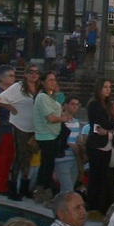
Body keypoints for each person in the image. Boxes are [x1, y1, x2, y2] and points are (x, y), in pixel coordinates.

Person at [0, 64, 42, 199]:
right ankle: (12, 188)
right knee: (19, 156)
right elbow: (0, 98)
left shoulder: (40, 88)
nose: (34, 74)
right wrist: (11, 108)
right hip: (20, 125)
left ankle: (24, 187)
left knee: (28, 157)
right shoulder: (18, 87)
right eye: (31, 72)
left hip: (33, 127)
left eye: (36, 72)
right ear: (25, 74)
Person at [85, 79, 114, 214]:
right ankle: (93, 204)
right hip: (96, 144)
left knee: (103, 176)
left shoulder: (108, 104)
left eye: (109, 87)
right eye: (105, 87)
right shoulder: (94, 104)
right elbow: (104, 123)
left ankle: (101, 205)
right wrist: (113, 125)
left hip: (107, 145)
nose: (108, 89)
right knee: (95, 176)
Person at [33, 70, 69, 200]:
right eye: (50, 80)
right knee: (47, 165)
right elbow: (51, 118)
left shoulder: (50, 97)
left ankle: (41, 191)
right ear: (43, 82)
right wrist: (63, 119)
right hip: (46, 135)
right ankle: (46, 191)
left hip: (52, 135)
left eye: (54, 80)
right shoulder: (42, 97)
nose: (53, 82)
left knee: (47, 164)